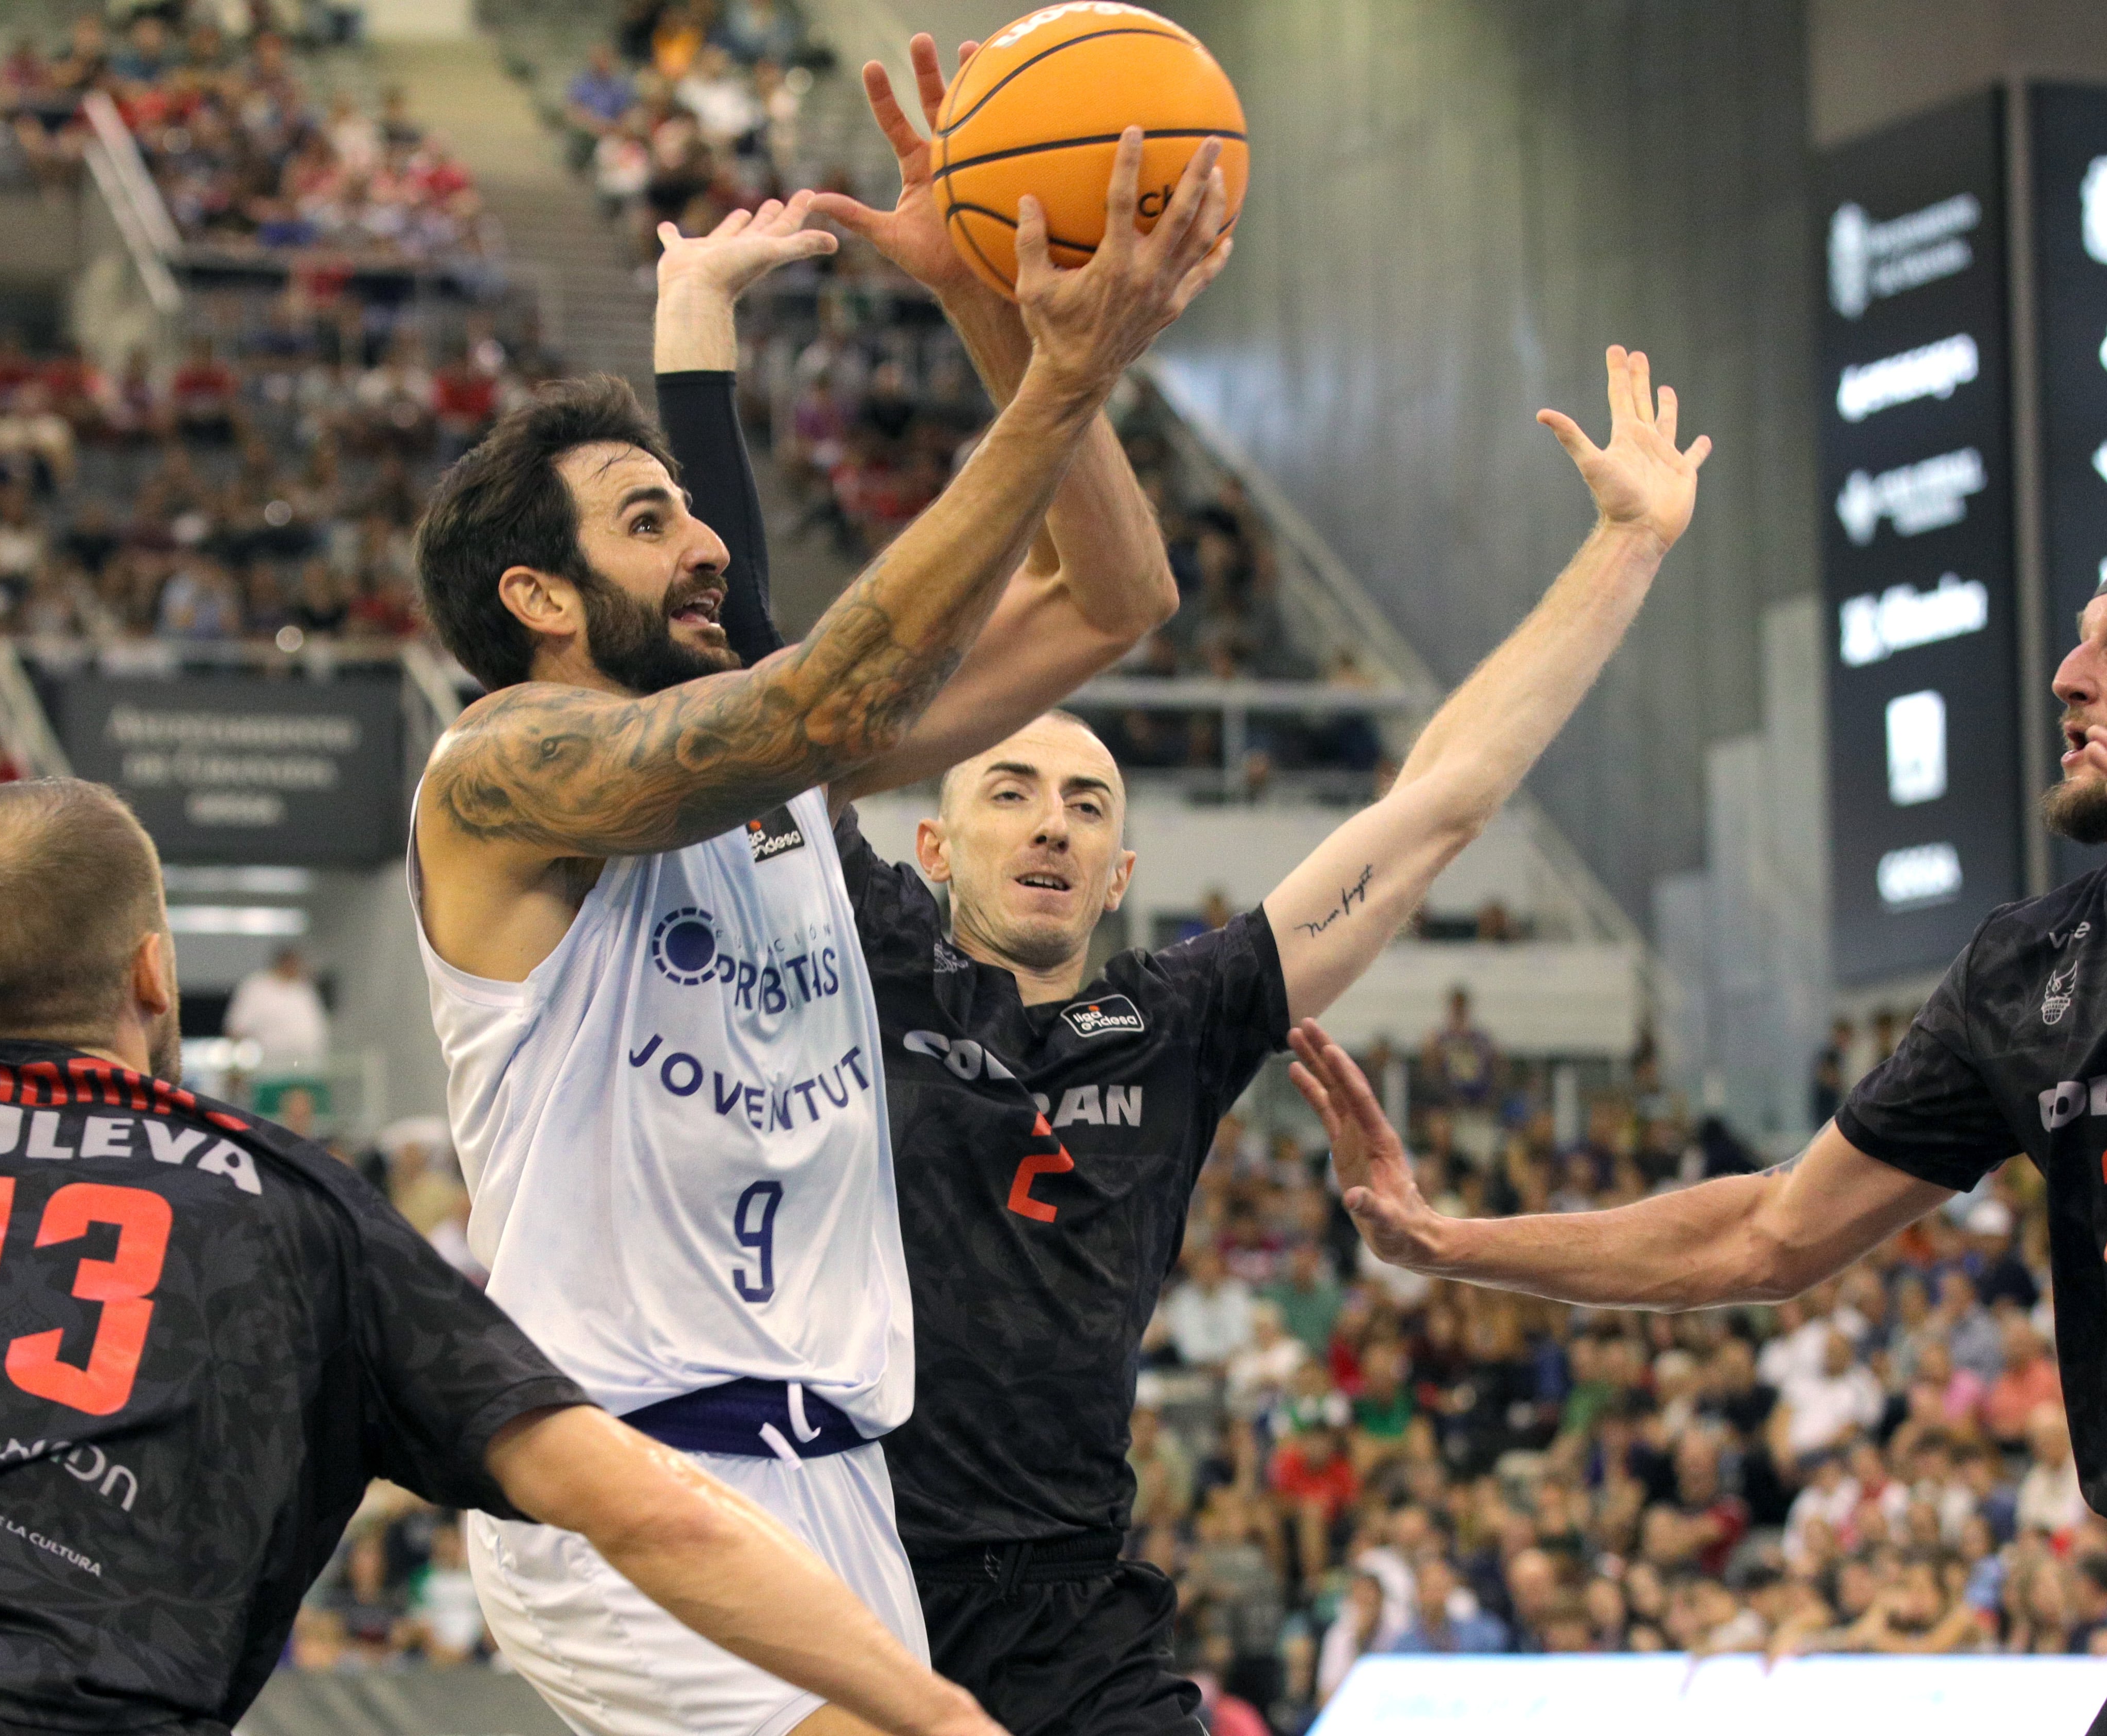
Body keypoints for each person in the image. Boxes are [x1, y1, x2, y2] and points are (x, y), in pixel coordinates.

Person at [667, 38, 1711, 1729]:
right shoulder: (856, 949)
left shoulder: (1170, 1021)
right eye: (1008, 784)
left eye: (1085, 798)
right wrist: (908, 306)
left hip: (1078, 1620)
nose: (1051, 818)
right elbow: (741, 677)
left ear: (1122, 863)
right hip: (830, 1588)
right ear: (931, 841)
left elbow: (1435, 803)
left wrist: (1623, 546)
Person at [407, 131, 1232, 1736]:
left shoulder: (787, 778)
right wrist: (1054, 386)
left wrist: (1005, 314)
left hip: (837, 1479)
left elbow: (1115, 601)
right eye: (650, 524)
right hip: (629, 1468)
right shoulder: (499, 774)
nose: (707, 542)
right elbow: (815, 692)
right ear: (541, 599)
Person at [1285, 520, 2107, 1736]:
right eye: (2076, 645)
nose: (2066, 677)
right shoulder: (2026, 963)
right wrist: (1446, 1243)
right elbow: (1767, 1232)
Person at [0, 779, 1000, 1736]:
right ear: (156, 971)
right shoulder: (290, 1211)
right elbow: (635, 1500)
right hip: (76, 1693)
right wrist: (938, 1713)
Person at [223, 943, 329, 1072]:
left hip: (308, 1069)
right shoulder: (257, 987)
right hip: (271, 1072)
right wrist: (236, 1069)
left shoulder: (304, 989)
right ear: (282, 963)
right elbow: (236, 1029)